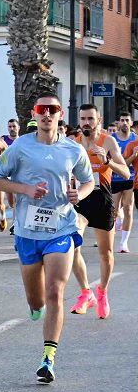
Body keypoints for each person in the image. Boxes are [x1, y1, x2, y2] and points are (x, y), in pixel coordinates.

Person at [0, 94, 94, 383]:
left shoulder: (72, 149)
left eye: (52, 110)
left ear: (60, 115)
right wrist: (24, 189)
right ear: (34, 115)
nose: (47, 115)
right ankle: (36, 309)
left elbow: (88, 181)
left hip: (61, 228)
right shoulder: (21, 146)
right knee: (36, 300)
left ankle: (48, 357)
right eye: (41, 110)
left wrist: (79, 195)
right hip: (27, 232)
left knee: (55, 292)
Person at [69, 104, 128, 318]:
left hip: (102, 199)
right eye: (83, 118)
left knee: (107, 253)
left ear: (98, 120)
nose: (86, 122)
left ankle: (102, 292)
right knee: (73, 242)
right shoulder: (73, 144)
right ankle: (86, 292)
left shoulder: (108, 141)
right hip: (81, 199)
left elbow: (124, 171)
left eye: (90, 119)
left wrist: (108, 161)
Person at [110, 112, 136, 253]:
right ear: (118, 123)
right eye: (122, 120)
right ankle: (108, 237)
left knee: (128, 208)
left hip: (131, 178)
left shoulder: (135, 139)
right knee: (114, 210)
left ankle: (123, 243)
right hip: (114, 178)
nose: (124, 123)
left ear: (131, 123)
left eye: (127, 120)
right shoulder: (112, 139)